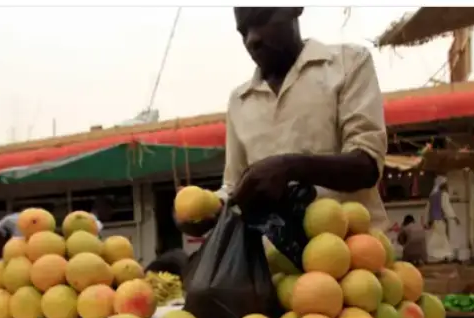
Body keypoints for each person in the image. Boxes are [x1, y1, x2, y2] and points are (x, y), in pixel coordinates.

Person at [180, 7, 390, 235]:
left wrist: (289, 168)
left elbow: (367, 165)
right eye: (243, 32)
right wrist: (207, 210)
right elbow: (234, 187)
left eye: (261, 20)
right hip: (277, 263)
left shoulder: (348, 64)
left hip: (355, 256)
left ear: (294, 8)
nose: (252, 39)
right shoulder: (240, 101)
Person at [424, 176, 459, 262]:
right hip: (440, 220)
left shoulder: (432, 196)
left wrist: (427, 221)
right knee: (441, 238)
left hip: (433, 221)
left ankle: (440, 257)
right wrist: (454, 217)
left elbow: (428, 210)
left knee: (437, 238)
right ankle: (444, 257)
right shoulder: (443, 195)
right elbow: (446, 207)